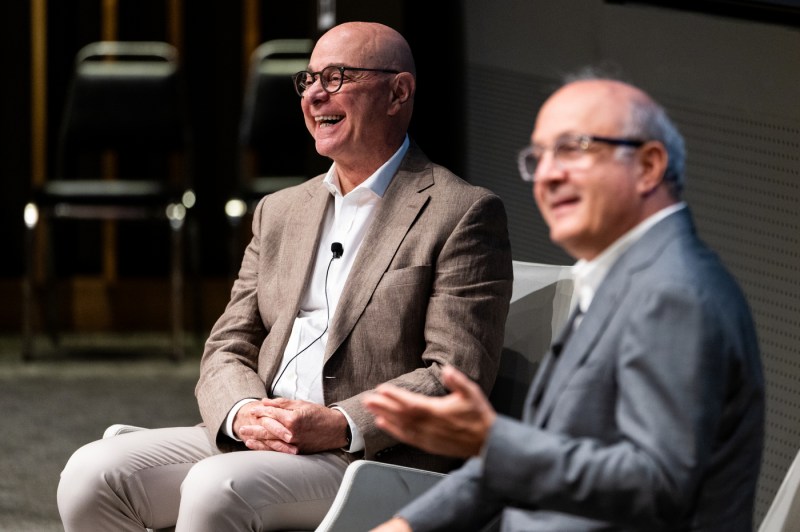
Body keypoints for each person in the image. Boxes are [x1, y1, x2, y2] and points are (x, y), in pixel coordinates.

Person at [57, 22, 513, 532]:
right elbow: (229, 342)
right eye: (308, 79)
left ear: (398, 92)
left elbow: (455, 375)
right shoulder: (280, 211)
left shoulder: (461, 213)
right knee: (92, 472)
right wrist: (242, 411)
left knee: (216, 489)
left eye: (337, 77)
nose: (315, 94)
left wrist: (341, 425)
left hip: (374, 459)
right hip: (261, 436)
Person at [364, 76, 765, 531]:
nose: (549, 174)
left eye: (573, 149)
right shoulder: (620, 277)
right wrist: (406, 526)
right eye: (539, 157)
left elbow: (659, 483)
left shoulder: (673, 292)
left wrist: (492, 440)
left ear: (649, 166)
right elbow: (525, 457)